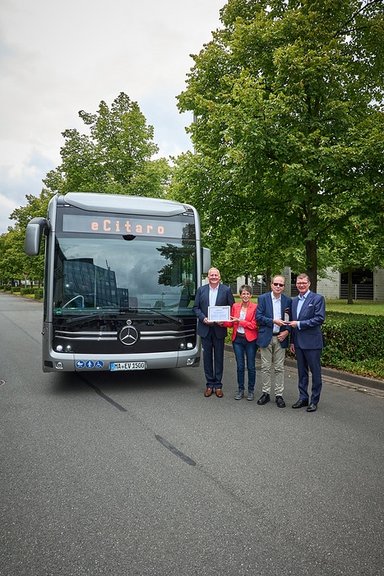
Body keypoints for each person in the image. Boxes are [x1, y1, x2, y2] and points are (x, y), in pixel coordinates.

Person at [193, 267, 234, 398]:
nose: (214, 277)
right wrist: (203, 318)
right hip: (205, 329)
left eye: (216, 275)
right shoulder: (201, 290)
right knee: (207, 358)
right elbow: (196, 308)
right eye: (211, 275)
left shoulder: (226, 290)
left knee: (219, 358)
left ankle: (218, 386)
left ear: (220, 277)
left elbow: (231, 308)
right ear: (208, 277)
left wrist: (225, 320)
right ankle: (209, 384)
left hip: (219, 329)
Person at [288, 273, 326, 412]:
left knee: (315, 373)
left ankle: (314, 400)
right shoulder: (294, 301)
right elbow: (292, 323)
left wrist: (299, 323)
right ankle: (303, 398)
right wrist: (292, 341)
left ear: (309, 283)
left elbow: (319, 318)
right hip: (298, 343)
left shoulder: (317, 299)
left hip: (312, 343)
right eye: (299, 283)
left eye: (304, 283)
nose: (301, 285)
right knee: (301, 373)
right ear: (296, 284)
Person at [256, 275, 291, 408]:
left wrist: (287, 331)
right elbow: (258, 318)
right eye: (276, 284)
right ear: (271, 285)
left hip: (280, 337)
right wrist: (272, 321)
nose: (278, 286)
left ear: (284, 287)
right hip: (266, 336)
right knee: (265, 367)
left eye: (281, 285)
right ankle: (265, 393)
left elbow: (290, 319)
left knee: (279, 368)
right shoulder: (263, 298)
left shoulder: (288, 300)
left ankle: (279, 395)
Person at [224, 285, 258, 401]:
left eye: (248, 294)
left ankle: (251, 390)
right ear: (240, 295)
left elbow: (254, 325)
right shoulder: (235, 306)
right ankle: (240, 389)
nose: (245, 296)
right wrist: (221, 322)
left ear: (251, 295)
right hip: (237, 339)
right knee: (240, 366)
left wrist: (241, 321)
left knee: (251, 366)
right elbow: (231, 322)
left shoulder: (255, 307)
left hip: (250, 340)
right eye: (243, 293)